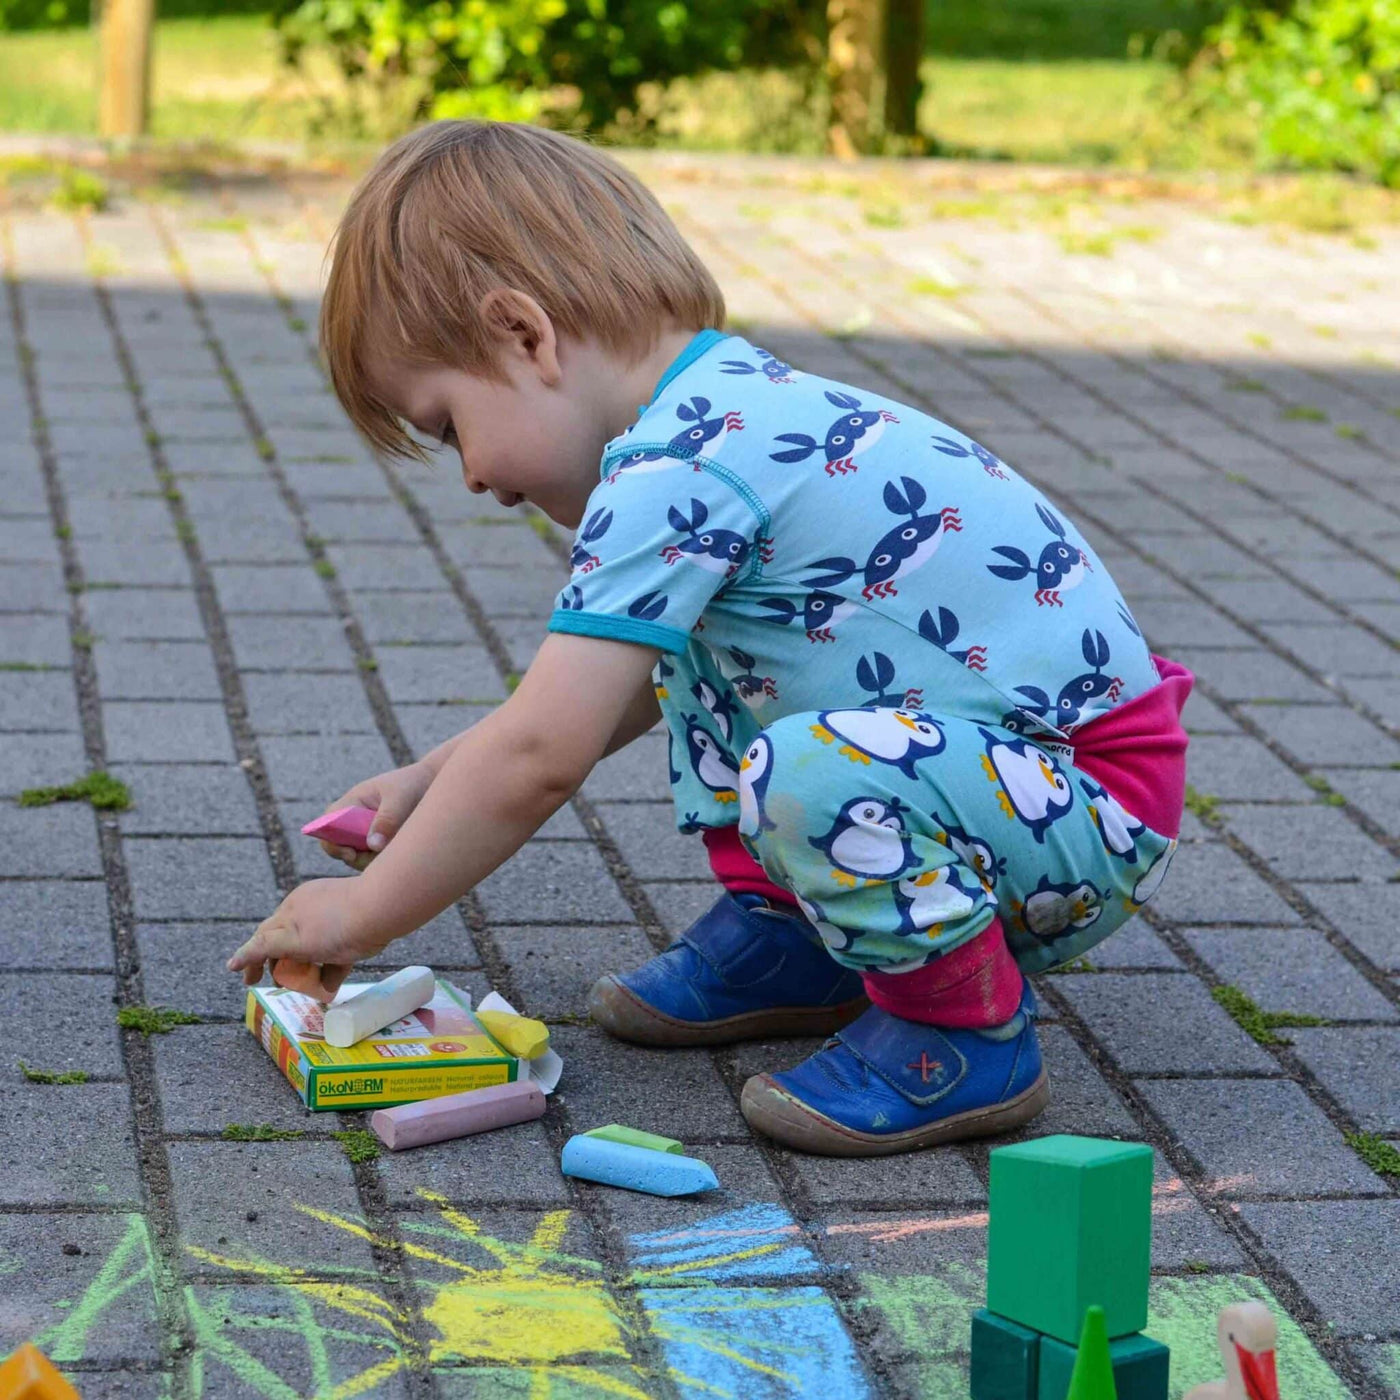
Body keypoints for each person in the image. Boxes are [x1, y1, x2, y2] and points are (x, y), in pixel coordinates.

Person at [228, 120, 1192, 1157]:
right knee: (696, 657)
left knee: (807, 767)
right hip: (1006, 778)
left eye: (450, 424)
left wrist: (362, 913)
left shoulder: (676, 473)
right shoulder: (714, 414)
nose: (468, 475)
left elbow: (541, 756)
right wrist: (428, 779)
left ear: (523, 335)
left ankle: (962, 1033)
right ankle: (802, 942)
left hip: (1080, 804)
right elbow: (594, 704)